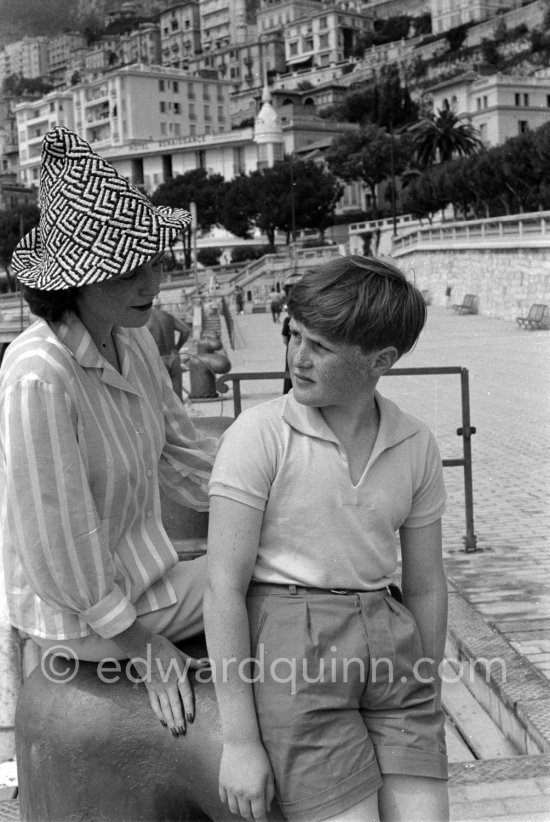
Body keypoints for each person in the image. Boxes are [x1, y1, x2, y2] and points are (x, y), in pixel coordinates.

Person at [204, 255, 449, 822]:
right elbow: (222, 589)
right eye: (294, 335)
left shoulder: (415, 443)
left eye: (321, 347)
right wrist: (241, 742)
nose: (297, 357)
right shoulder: (259, 436)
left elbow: (428, 583)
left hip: (391, 646)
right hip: (295, 651)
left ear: (379, 362)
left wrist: (428, 685)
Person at [0, 127, 218, 737]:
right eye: (128, 272)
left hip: (145, 577)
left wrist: (267, 496)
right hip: (85, 618)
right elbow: (54, 539)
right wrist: (143, 647)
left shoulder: (133, 337)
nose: (152, 283)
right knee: (264, 579)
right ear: (74, 282)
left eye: (153, 262)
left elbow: (181, 454)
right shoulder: (39, 375)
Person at [147, 299, 191, 398]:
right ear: (160, 306)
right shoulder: (168, 316)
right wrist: (178, 347)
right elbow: (186, 331)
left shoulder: (145, 320)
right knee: (177, 396)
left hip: (157, 358)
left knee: (159, 397)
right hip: (174, 356)